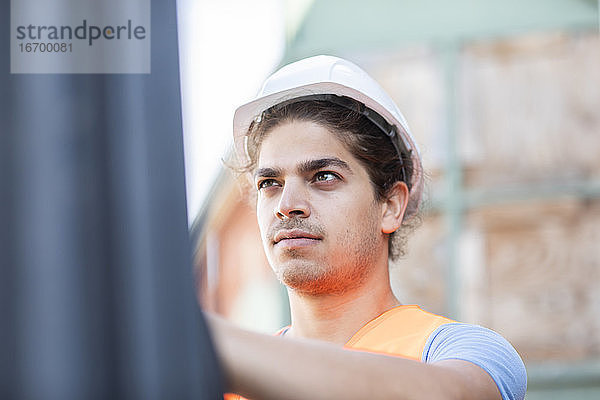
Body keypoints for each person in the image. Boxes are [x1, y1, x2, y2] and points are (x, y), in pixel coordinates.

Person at [205, 55, 527, 400]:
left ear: (390, 206)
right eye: (269, 183)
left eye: (324, 177)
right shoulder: (229, 381)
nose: (287, 205)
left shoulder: (461, 353)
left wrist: (208, 342)